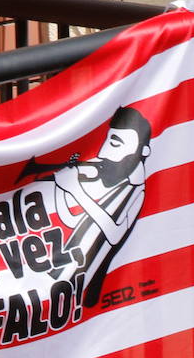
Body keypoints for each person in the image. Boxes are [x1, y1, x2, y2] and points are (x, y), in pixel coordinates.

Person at [46, 106, 152, 307]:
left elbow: (115, 233)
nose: (104, 152)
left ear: (142, 151)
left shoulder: (137, 190)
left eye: (115, 143)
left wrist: (78, 192)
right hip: (69, 270)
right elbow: (71, 219)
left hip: (93, 281)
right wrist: (63, 191)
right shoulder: (108, 182)